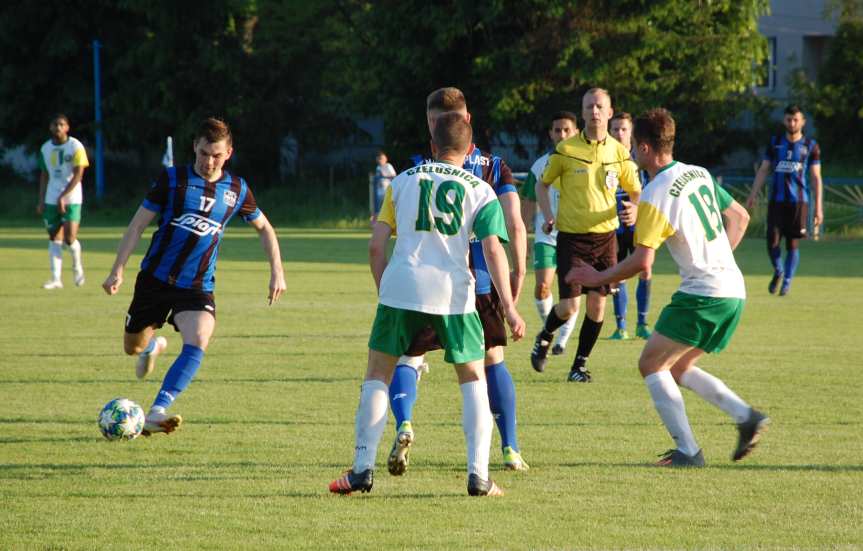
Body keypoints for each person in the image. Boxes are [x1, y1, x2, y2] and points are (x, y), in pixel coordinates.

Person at [328, 112, 525, 496]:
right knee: (472, 378)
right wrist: (510, 307)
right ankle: (479, 476)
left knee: (377, 374)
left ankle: (361, 471)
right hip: (454, 293)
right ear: (469, 150)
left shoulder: (401, 181)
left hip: (401, 287)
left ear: (432, 147)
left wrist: (385, 288)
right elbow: (493, 250)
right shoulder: (481, 190)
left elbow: (375, 245)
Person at [568, 108, 769, 467]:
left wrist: (596, 278)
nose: (629, 150)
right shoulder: (699, 173)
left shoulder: (655, 192)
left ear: (644, 148)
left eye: (632, 145)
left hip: (703, 294)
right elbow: (740, 217)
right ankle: (745, 417)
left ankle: (688, 452)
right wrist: (715, 258)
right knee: (675, 367)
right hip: (732, 289)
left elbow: (642, 262)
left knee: (650, 364)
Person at [102, 117, 286, 436]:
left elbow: (265, 228)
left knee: (200, 337)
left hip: (197, 286)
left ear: (228, 153)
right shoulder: (172, 180)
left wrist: (277, 273)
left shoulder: (238, 190)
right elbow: (136, 226)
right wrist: (117, 268)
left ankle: (158, 410)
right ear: (194, 148)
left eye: (216, 155)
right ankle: (150, 348)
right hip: (154, 281)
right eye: (203, 153)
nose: (208, 161)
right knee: (132, 347)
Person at [385, 87, 529, 476]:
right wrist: (518, 271)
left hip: (421, 281)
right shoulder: (496, 166)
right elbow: (514, 224)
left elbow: (393, 227)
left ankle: (404, 423)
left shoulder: (415, 166)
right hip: (479, 285)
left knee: (409, 357)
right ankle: (509, 448)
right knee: (490, 362)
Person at [531, 88, 641, 382]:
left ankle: (579, 365)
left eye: (599, 106)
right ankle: (545, 335)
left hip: (606, 239)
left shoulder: (619, 153)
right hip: (572, 237)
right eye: (589, 106)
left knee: (598, 303)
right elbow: (542, 185)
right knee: (569, 306)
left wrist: (634, 209)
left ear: (609, 111)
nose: (594, 111)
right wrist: (548, 215)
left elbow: (635, 191)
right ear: (582, 113)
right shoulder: (566, 150)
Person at [745, 105, 823, 296]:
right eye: (789, 119)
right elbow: (764, 169)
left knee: (792, 244)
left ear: (803, 121)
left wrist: (818, 207)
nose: (792, 123)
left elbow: (815, 177)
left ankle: (787, 281)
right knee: (772, 241)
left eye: (796, 119)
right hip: (776, 201)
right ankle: (779, 270)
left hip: (799, 203)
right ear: (784, 121)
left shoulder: (810, 146)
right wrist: (753, 194)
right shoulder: (774, 143)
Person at [519, 111, 580, 355]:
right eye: (557, 130)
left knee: (571, 294)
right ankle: (550, 328)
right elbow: (527, 201)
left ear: (576, 132)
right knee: (543, 287)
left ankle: (562, 341)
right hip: (547, 236)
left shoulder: (585, 161)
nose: (562, 134)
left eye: (567, 130)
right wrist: (522, 238)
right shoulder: (539, 165)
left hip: (576, 236)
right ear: (550, 133)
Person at [608, 112, 652, 340]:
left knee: (645, 269)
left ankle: (642, 323)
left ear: (631, 131)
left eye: (623, 129)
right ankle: (620, 326)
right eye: (615, 129)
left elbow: (651, 190)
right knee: (618, 274)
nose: (619, 133)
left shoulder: (641, 160)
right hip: (613, 227)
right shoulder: (605, 158)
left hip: (639, 224)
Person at [37, 114, 89, 289]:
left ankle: (77, 267)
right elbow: (44, 175)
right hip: (51, 196)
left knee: (69, 238)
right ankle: (56, 279)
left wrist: (63, 197)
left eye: (61, 124)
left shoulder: (75, 146)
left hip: (72, 196)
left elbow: (78, 174)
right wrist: (42, 199)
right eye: (55, 124)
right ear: (51, 128)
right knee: (53, 236)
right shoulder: (45, 148)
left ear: (67, 127)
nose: (58, 127)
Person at [370, 151, 397, 226]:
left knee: (388, 208)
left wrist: (384, 175)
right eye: (378, 159)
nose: (379, 160)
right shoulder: (378, 167)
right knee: (378, 209)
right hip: (379, 191)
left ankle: (391, 224)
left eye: (381, 158)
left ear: (385, 159)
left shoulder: (388, 166)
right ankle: (377, 224)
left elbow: (394, 176)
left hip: (386, 191)